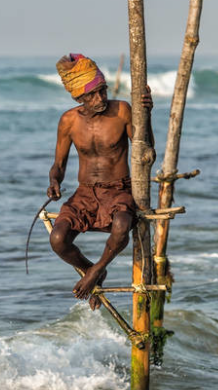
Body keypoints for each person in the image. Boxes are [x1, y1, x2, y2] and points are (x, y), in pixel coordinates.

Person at [47, 53, 152, 309]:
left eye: (103, 91)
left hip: (118, 189)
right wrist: (54, 181)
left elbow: (146, 150)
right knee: (58, 240)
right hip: (85, 193)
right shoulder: (68, 121)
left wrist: (146, 115)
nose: (100, 98)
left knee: (121, 224)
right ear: (78, 97)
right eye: (92, 94)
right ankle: (91, 269)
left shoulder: (122, 111)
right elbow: (59, 164)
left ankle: (96, 272)